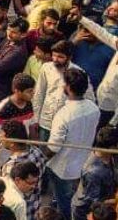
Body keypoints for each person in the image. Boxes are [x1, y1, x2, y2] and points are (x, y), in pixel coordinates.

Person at [45, 67, 102, 218]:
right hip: (83, 164)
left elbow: (54, 147)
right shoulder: (94, 108)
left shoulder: (64, 114)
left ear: (68, 88)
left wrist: (42, 158)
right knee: (74, 199)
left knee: (66, 203)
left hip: (62, 169)